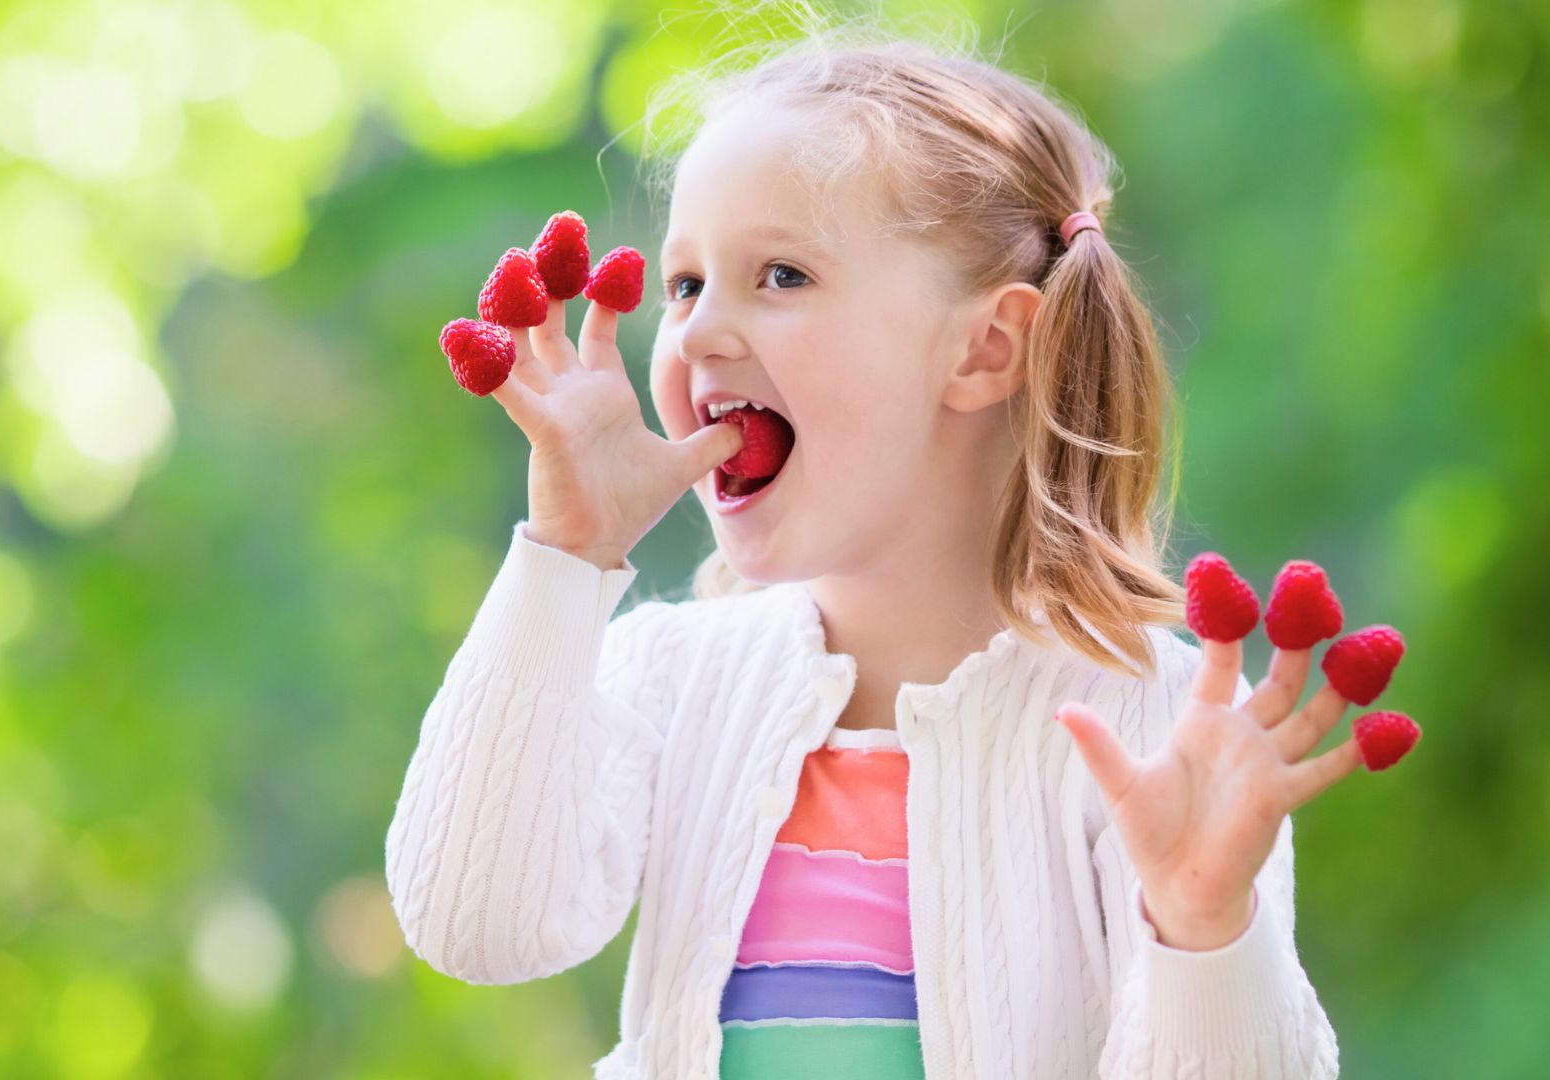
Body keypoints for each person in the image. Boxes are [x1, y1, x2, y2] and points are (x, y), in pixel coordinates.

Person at [386, 23, 1356, 1080]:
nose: (701, 331)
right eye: (685, 285)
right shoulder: (673, 677)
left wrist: (1204, 930)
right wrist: (565, 558)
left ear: (985, 348)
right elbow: (476, 923)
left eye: (782, 275)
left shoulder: (1151, 729)